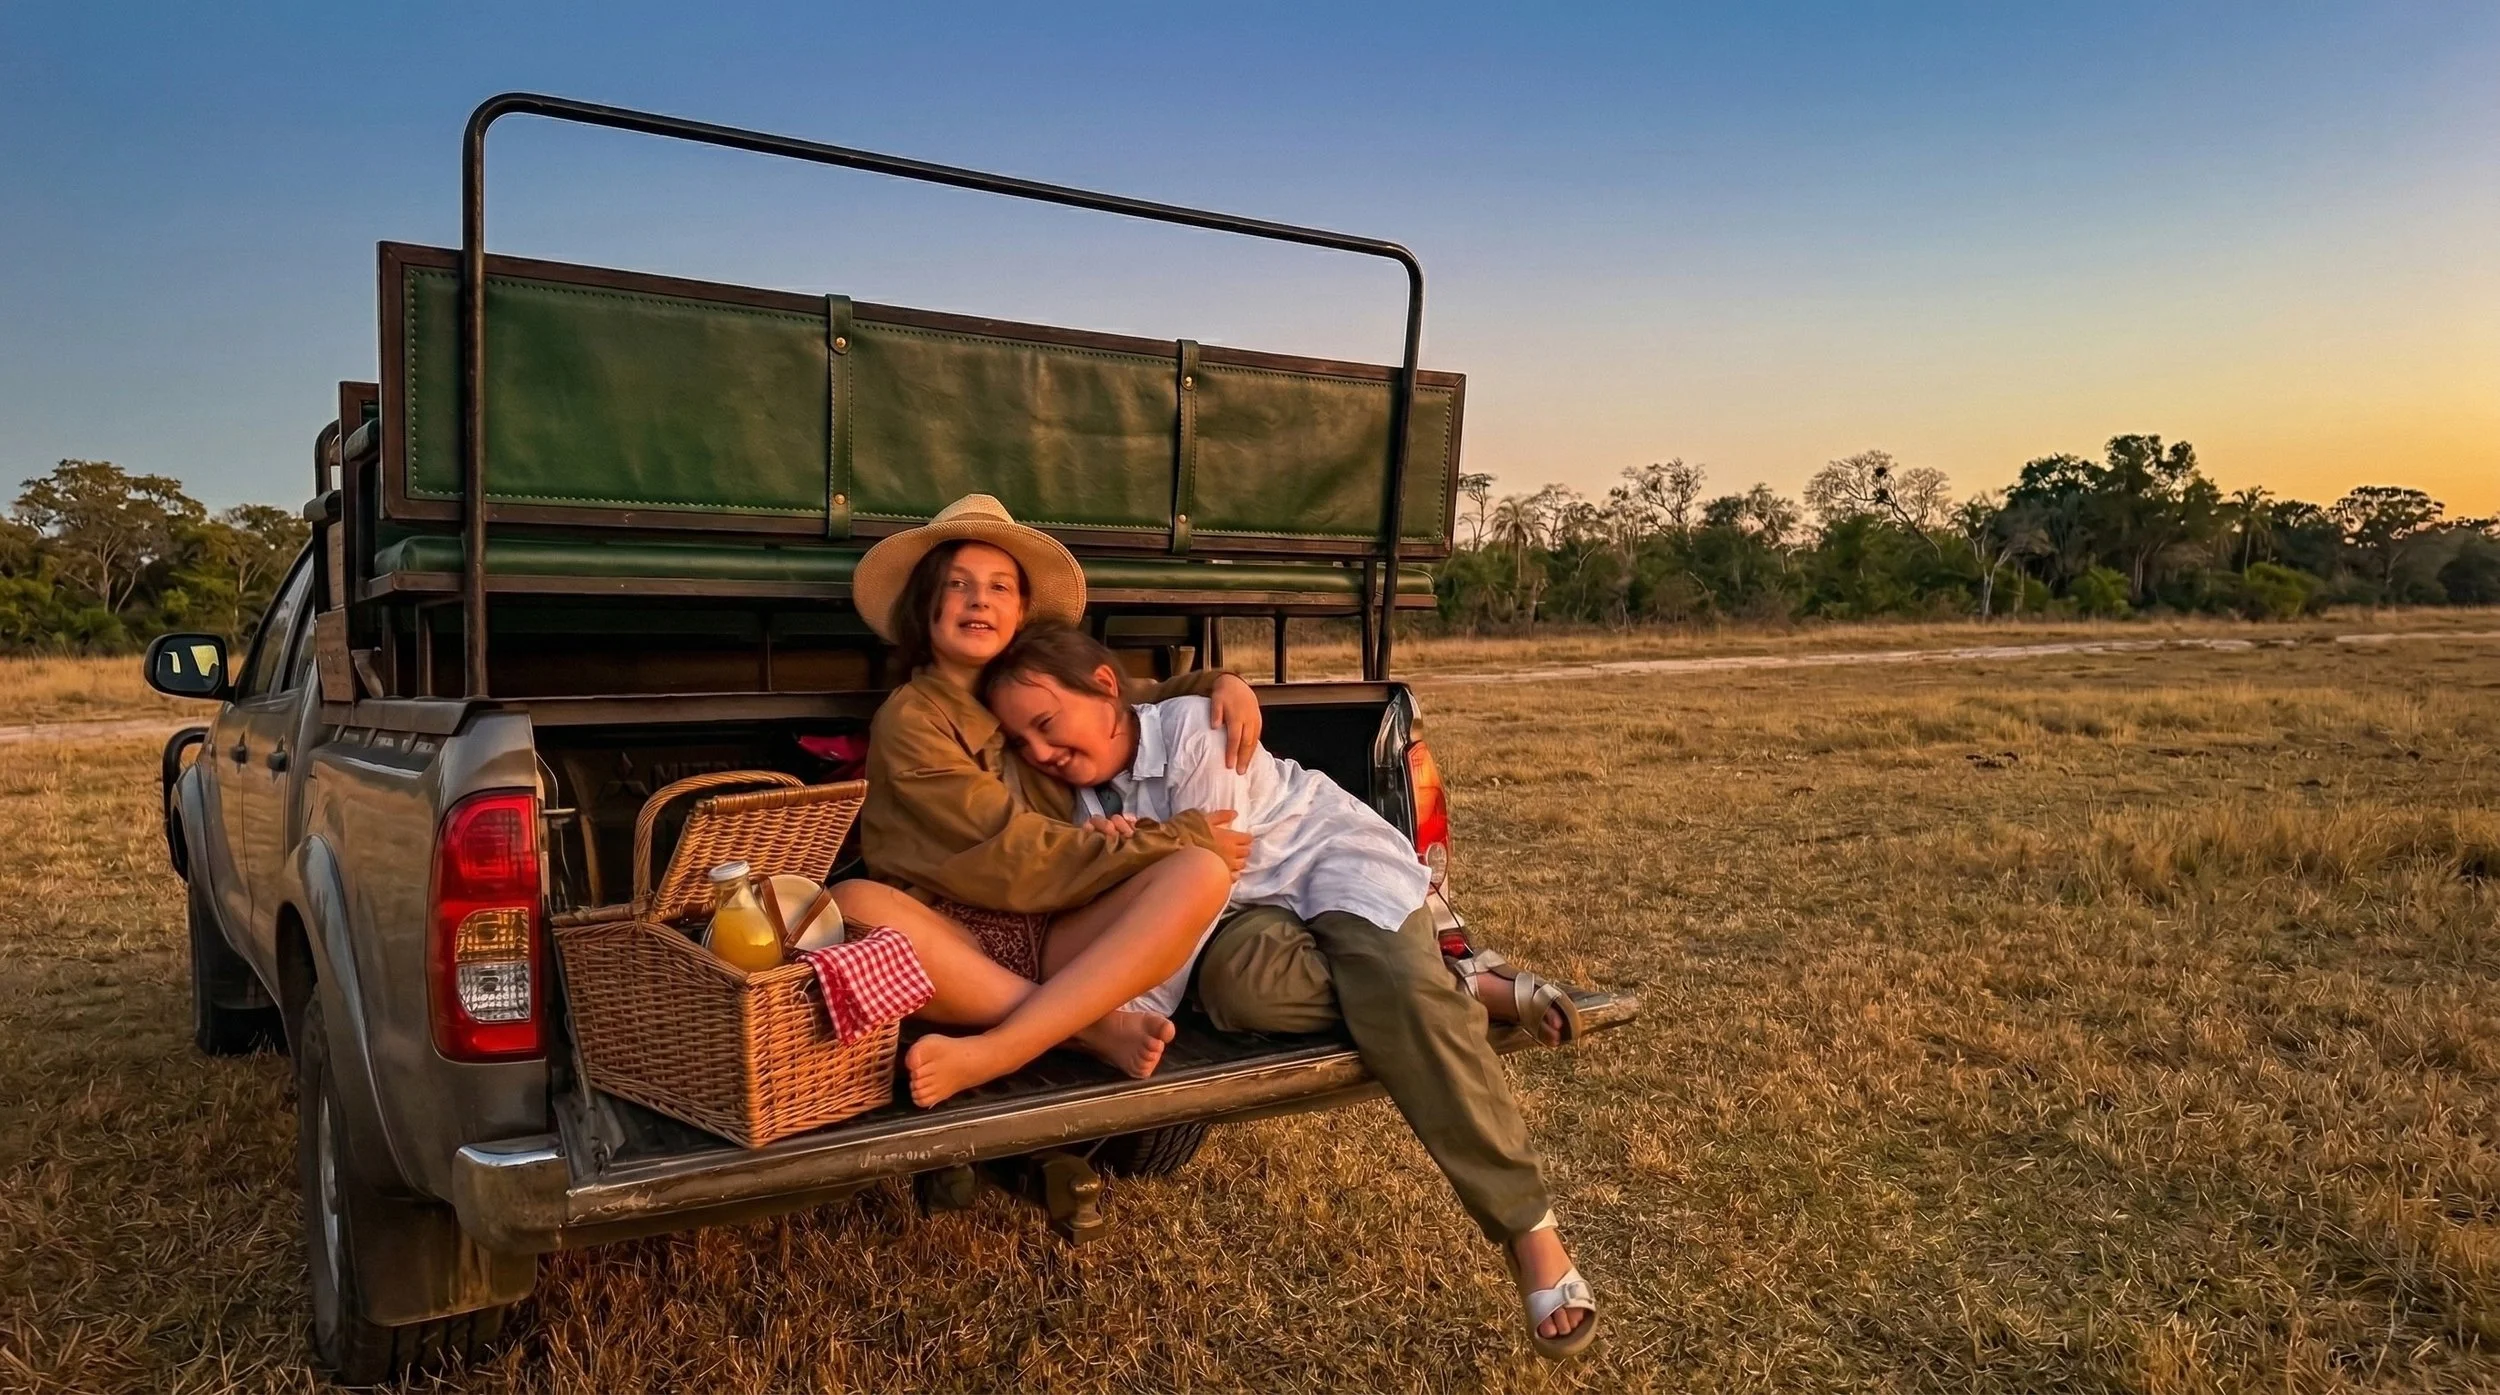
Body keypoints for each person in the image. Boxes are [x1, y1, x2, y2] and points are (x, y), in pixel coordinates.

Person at [977, 622, 1601, 1360]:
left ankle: (1530, 1230)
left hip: (1325, 861)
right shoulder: (1087, 806)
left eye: (1046, 724)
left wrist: (1128, 1011)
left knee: (1398, 987)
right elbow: (1154, 900)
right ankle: (1456, 984)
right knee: (1248, 996)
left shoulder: (1193, 728)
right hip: (1248, 915)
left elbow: (1201, 877)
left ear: (1105, 687)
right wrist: (1116, 857)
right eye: (1023, 742)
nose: (1041, 752)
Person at [828, 495, 1269, 1108]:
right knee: (851, 908)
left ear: (1021, 610)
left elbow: (1121, 697)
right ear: (923, 607)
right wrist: (1170, 836)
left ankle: (1010, 1040)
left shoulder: (1026, 688)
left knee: (1200, 871)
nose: (979, 599)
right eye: (957, 585)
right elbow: (1006, 852)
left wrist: (1221, 682)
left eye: (1000, 587)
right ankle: (1077, 1031)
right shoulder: (911, 719)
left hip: (1055, 929)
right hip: (958, 945)